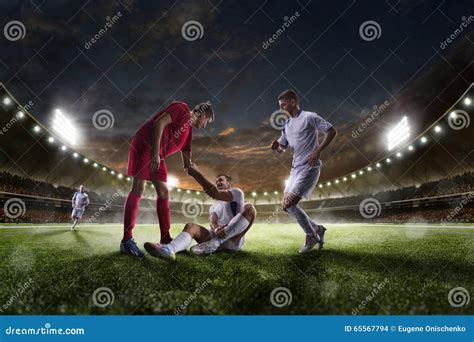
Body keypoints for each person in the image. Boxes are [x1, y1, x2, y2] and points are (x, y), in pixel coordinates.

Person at [120, 101, 215, 257]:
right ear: (203, 115)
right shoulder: (181, 108)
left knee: (164, 192)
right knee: (138, 188)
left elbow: (188, 165)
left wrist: (206, 184)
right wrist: (155, 153)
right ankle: (126, 240)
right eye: (207, 122)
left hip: (158, 155)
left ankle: (165, 238)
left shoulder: (188, 133)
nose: (205, 126)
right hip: (145, 144)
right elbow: (159, 123)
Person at [270, 89, 336, 253]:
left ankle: (311, 235)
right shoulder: (286, 125)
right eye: (280, 105)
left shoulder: (309, 117)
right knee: (286, 205)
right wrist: (276, 147)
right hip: (295, 169)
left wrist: (318, 150)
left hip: (309, 167)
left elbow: (331, 131)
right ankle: (317, 229)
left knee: (291, 203)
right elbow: (283, 148)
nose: (281, 108)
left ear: (293, 102)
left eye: (283, 104)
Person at [144, 169, 256, 261]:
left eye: (221, 180)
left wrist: (195, 172)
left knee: (250, 209)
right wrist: (216, 228)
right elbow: (212, 220)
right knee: (190, 226)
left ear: (230, 184)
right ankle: (169, 250)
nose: (218, 183)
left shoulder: (237, 193)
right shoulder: (214, 205)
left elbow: (215, 193)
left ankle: (216, 242)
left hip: (233, 240)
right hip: (216, 235)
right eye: (216, 182)